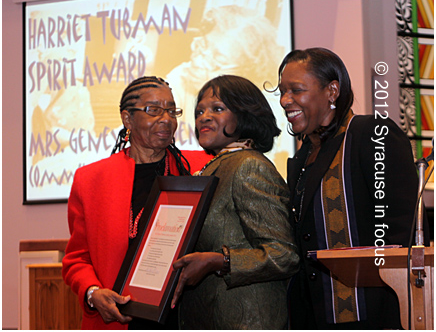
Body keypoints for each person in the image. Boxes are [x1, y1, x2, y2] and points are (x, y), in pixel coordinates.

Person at [278, 47, 430, 329]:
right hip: (313, 314)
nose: (286, 100)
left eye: (296, 90)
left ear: (332, 91)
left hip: (370, 313)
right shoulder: (302, 155)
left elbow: (401, 232)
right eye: (282, 92)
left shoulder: (370, 134)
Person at [62, 76, 209, 330]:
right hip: (120, 319)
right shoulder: (91, 180)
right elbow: (77, 260)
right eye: (153, 110)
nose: (166, 119)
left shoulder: (200, 167)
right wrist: (93, 293)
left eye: (172, 110)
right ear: (127, 119)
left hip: (186, 317)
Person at [170, 75, 300, 329]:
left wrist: (221, 261)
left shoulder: (249, 166)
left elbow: (284, 255)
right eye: (199, 111)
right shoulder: (217, 167)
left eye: (217, 109)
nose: (204, 117)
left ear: (245, 115)